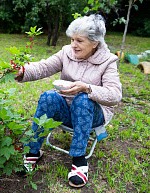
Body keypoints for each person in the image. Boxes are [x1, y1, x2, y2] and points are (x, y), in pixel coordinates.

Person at [15, 14, 122, 188]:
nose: (73, 44)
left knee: (83, 100)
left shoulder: (108, 61)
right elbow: (44, 66)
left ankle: (79, 160)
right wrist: (23, 71)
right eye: (72, 39)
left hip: (93, 112)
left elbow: (115, 95)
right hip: (67, 108)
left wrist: (87, 88)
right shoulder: (67, 52)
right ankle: (32, 152)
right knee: (48, 96)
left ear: (95, 42)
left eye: (79, 40)